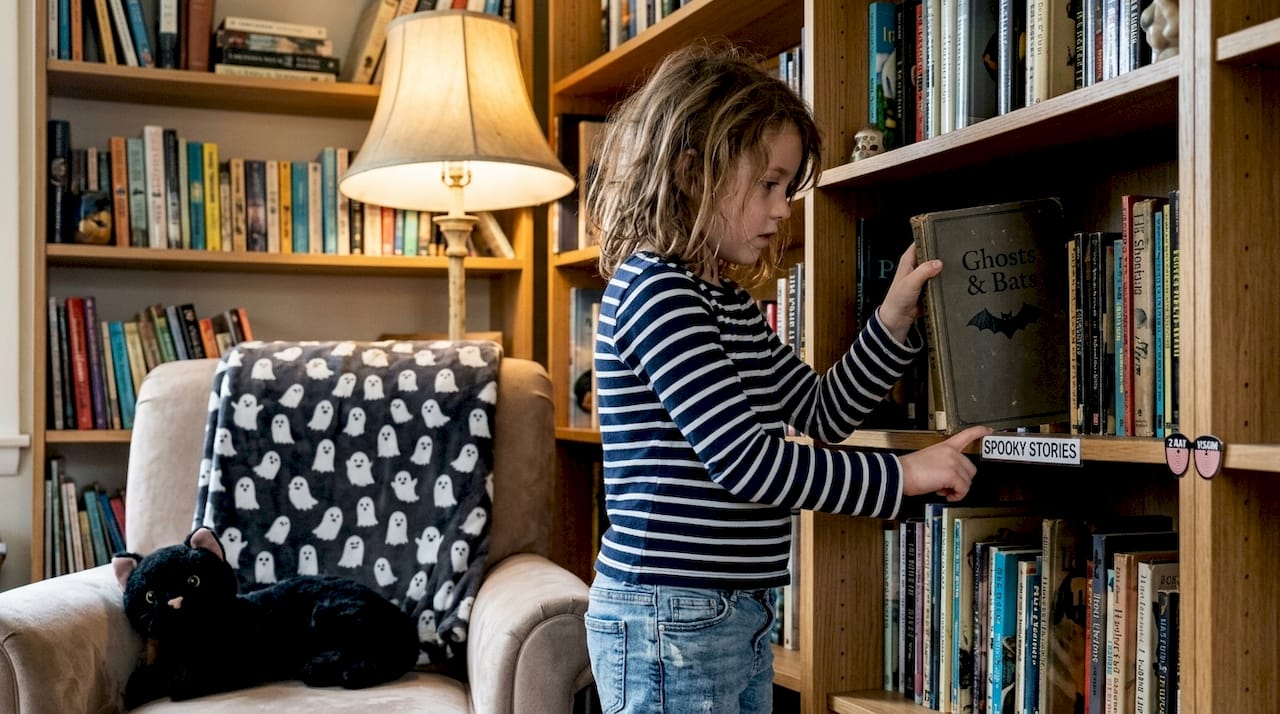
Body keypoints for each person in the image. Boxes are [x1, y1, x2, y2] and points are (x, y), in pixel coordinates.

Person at [583, 43, 991, 713]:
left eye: (788, 189)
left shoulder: (725, 302)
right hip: (669, 613)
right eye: (768, 185)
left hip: (726, 611)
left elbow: (822, 412)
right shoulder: (659, 291)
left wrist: (893, 318)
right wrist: (904, 476)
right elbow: (745, 463)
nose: (782, 210)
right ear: (691, 173)